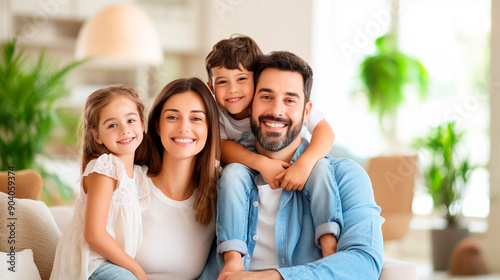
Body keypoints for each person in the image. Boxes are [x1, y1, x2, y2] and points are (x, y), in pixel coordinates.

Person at [216, 51, 384, 280]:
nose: (276, 111)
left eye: (290, 100)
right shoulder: (220, 177)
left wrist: (271, 277)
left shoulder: (345, 177)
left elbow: (364, 265)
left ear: (307, 112)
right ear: (250, 105)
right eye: (266, 96)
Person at [205, 34, 340, 275]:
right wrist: (261, 163)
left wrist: (306, 163)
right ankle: (233, 257)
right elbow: (220, 148)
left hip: (300, 161)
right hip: (248, 162)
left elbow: (325, 130)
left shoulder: (282, 101)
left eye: (241, 80)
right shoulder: (217, 112)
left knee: (321, 168)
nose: (233, 90)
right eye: (222, 82)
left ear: (253, 82)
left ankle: (329, 244)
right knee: (233, 174)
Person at [50, 86, 150, 280]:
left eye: (130, 120)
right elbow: (94, 235)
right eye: (112, 125)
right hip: (91, 266)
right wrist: (138, 271)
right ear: (97, 136)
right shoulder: (105, 169)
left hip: (114, 264)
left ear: (142, 123)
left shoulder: (138, 174)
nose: (124, 130)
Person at [134, 77, 221, 280]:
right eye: (172, 117)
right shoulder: (129, 184)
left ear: (210, 128)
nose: (184, 128)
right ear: (157, 125)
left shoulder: (218, 194)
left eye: (196, 118)